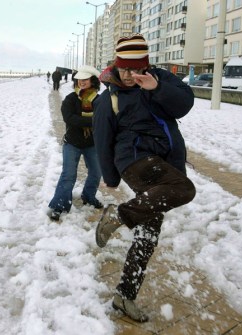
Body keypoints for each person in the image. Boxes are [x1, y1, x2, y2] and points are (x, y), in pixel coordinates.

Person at [92, 35, 196, 322]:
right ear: (116, 66)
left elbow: (184, 105)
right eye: (125, 69)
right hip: (134, 160)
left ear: (146, 66)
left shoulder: (159, 79)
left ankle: (124, 296)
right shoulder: (108, 98)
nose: (130, 76)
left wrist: (158, 88)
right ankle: (120, 214)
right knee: (184, 189)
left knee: (148, 234)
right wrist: (111, 178)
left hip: (163, 163)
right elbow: (102, 140)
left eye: (136, 69)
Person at [47, 65, 103, 221]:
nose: (81, 82)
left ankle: (89, 196)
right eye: (79, 80)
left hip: (92, 143)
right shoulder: (71, 99)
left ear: (92, 81)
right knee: (68, 175)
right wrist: (93, 121)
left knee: (96, 172)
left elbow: (105, 120)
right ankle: (60, 205)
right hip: (72, 143)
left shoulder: (99, 100)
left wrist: (93, 122)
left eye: (85, 79)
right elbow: (69, 119)